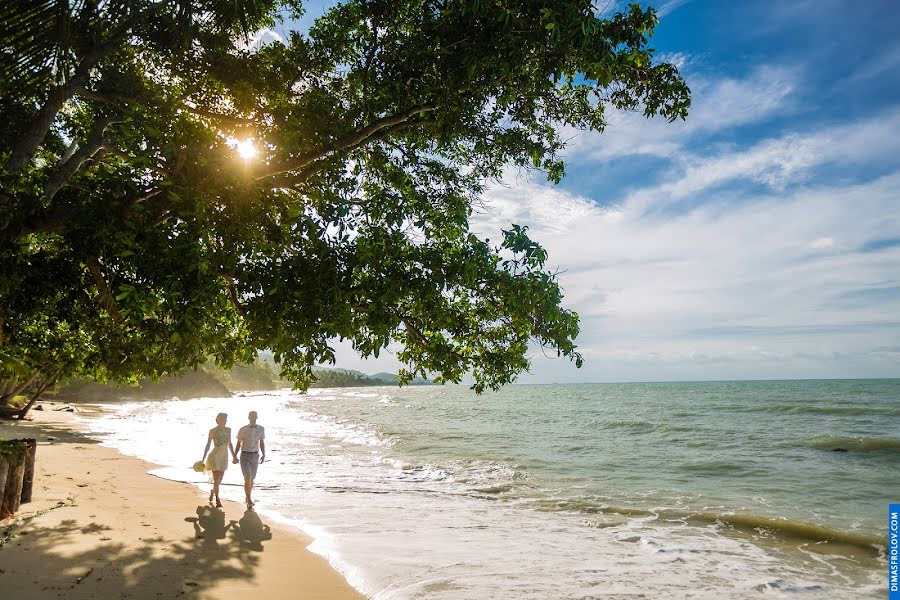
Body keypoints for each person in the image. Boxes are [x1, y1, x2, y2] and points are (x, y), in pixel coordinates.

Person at [200, 412, 236, 508]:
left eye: (225, 419)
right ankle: (218, 499)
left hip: (224, 456)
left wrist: (234, 456)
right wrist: (203, 459)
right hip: (215, 456)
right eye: (222, 419)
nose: (224, 421)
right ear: (218, 420)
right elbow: (208, 445)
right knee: (216, 479)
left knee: (220, 480)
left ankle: (213, 491)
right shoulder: (213, 431)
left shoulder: (228, 430)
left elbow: (230, 444)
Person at [233, 410, 265, 509]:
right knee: (247, 478)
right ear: (248, 417)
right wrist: (235, 455)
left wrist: (264, 454)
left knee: (251, 479)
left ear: (257, 417)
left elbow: (261, 442)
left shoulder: (261, 429)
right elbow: (238, 443)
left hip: (255, 456)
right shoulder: (243, 429)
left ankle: (247, 497)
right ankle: (249, 500)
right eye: (251, 416)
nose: (253, 418)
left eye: (254, 417)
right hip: (244, 456)